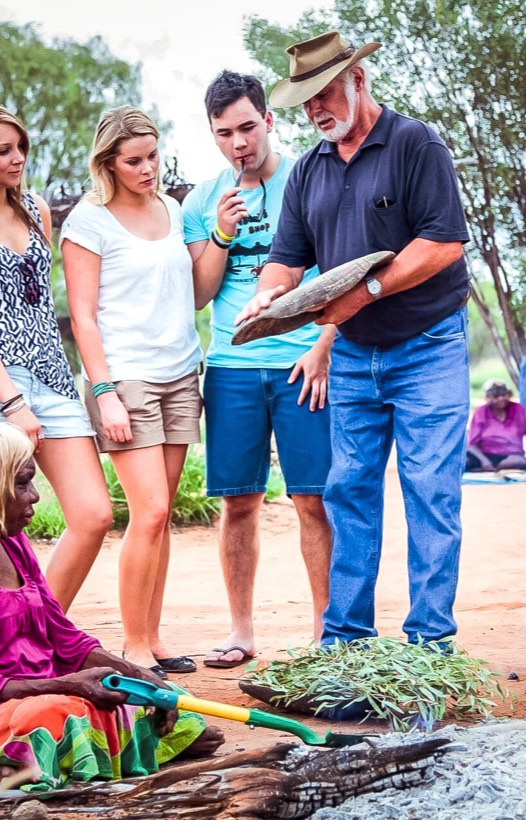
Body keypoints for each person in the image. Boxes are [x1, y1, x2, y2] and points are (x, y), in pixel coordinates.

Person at [239, 31, 472, 647]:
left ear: (358, 81)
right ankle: (345, 642)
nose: (317, 109)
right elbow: (288, 257)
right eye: (306, 101)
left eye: (325, 93)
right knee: (350, 492)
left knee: (430, 492)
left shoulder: (415, 144)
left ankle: (430, 644)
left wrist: (363, 295)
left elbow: (443, 242)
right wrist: (269, 293)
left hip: (428, 345)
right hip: (352, 356)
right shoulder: (309, 171)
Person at [0, 418, 223, 789]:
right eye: (22, 482)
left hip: (41, 695)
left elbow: (63, 637)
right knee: (62, 715)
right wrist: (68, 686)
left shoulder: (4, 537)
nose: (35, 496)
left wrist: (138, 674)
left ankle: (48, 760)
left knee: (175, 705)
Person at [0, 102, 113, 612]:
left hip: (52, 378)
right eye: (3, 151)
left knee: (94, 513)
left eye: (21, 148)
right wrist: (12, 403)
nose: (18, 159)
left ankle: (36, 626)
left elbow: (37, 295)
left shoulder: (34, 207)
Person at [182, 71, 333, 668]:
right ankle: (241, 631)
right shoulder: (202, 200)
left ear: (269, 121)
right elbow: (200, 294)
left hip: (304, 363)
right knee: (237, 502)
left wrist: (324, 345)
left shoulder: (311, 179)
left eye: (248, 127)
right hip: (231, 365)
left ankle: (327, 632)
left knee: (311, 500)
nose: (239, 142)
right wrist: (221, 231)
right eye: (225, 133)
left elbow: (341, 270)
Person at [62, 107, 204, 678]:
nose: (148, 169)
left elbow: (190, 291)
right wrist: (104, 391)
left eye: (153, 157)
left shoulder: (171, 208)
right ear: (108, 164)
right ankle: (134, 645)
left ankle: (153, 635)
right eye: (134, 161)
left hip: (180, 373)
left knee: (161, 515)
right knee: (148, 511)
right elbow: (83, 316)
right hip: (127, 379)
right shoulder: (87, 222)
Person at [466, 379, 526, 472]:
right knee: (463, 460)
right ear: (488, 397)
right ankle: (485, 467)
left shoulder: (519, 410)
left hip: (510, 457)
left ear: (509, 395)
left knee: (519, 461)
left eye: (504, 395)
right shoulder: (480, 412)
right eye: (496, 396)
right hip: (484, 455)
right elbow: (471, 444)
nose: (500, 398)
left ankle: (488, 469)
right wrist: (484, 461)